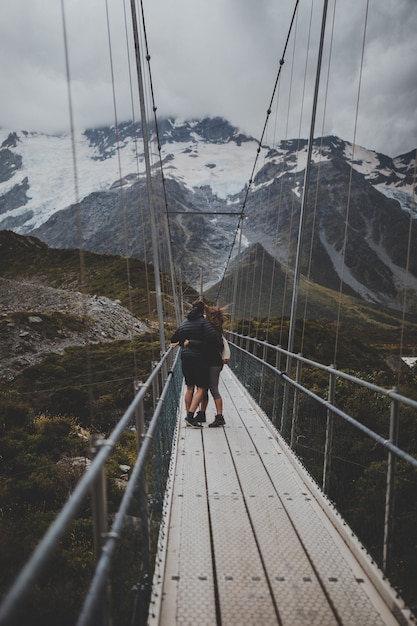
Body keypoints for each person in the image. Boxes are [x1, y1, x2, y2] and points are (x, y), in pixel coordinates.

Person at [170, 300, 223, 428]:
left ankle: (189, 415)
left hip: (185, 358)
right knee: (202, 388)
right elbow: (214, 339)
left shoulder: (184, 323)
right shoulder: (204, 323)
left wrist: (183, 342)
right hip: (199, 359)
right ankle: (190, 417)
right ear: (202, 311)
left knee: (189, 388)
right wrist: (197, 342)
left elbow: (173, 339)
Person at [195, 306, 227, 428]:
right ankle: (202, 413)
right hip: (210, 363)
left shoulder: (211, 331)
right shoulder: (216, 329)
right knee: (205, 388)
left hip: (213, 363)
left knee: (213, 389)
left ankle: (220, 417)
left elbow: (213, 345)